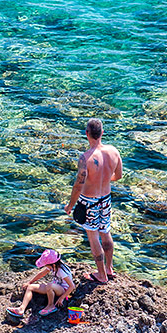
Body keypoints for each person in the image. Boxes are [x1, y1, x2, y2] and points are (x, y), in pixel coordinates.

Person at [64, 118, 123, 284]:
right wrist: (103, 180)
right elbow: (118, 176)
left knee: (93, 237)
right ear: (102, 133)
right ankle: (110, 269)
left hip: (89, 201)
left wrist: (70, 206)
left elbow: (78, 185)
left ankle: (101, 275)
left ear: (86, 134)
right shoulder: (114, 151)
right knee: (106, 231)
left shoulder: (86, 158)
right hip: (106, 199)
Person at [7, 249, 75, 319]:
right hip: (54, 287)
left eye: (46, 265)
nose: (46, 267)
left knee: (49, 285)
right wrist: (30, 282)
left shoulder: (61, 271)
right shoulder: (54, 266)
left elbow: (72, 286)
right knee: (30, 287)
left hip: (63, 290)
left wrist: (61, 298)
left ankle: (51, 305)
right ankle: (21, 309)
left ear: (53, 265)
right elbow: (42, 274)